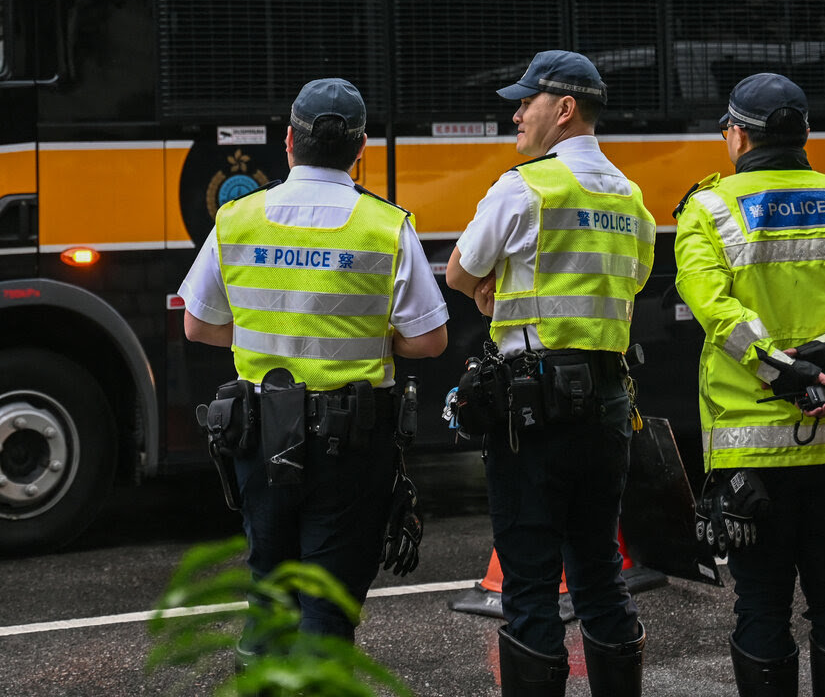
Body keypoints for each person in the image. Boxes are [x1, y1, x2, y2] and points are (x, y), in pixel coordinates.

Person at [673, 72, 825, 697]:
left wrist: (782, 368)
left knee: (761, 607)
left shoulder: (707, 210)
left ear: (736, 136)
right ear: (806, 133)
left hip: (755, 448)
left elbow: (717, 311)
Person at [179, 77, 448, 650]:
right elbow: (430, 341)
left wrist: (266, 334)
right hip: (350, 445)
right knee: (327, 608)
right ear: (361, 149)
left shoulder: (238, 218)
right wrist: (370, 340)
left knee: (269, 598)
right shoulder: (385, 225)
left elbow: (198, 324)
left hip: (259, 434)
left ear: (288, 143)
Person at [446, 50, 656, 697]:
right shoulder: (631, 198)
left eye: (525, 101)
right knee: (598, 574)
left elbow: (459, 272)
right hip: (608, 408)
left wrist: (493, 291)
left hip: (533, 411)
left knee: (532, 584)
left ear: (563, 110)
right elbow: (629, 285)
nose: (515, 113)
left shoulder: (525, 186)